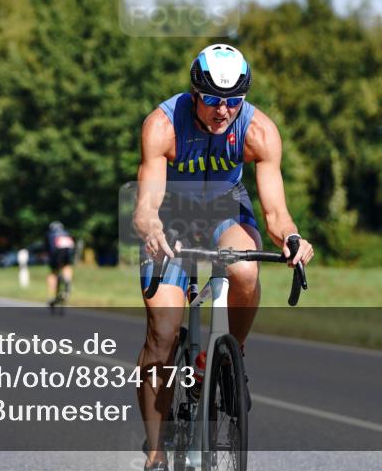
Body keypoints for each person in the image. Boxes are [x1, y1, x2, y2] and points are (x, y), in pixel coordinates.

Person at [133, 44, 315, 471]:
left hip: (224, 209)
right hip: (172, 214)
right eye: (213, 100)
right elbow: (147, 204)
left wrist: (292, 237)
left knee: (245, 269)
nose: (223, 111)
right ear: (195, 92)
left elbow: (275, 212)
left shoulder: (260, 131)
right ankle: (156, 452)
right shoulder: (162, 125)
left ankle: (233, 356)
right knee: (161, 337)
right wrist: (150, 226)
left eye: (233, 101)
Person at [46, 220, 75, 306]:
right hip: (66, 254)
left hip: (55, 255)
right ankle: (68, 282)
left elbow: (47, 249)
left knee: (53, 273)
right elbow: (72, 247)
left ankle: (51, 295)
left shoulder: (49, 234)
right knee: (66, 266)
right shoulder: (67, 233)